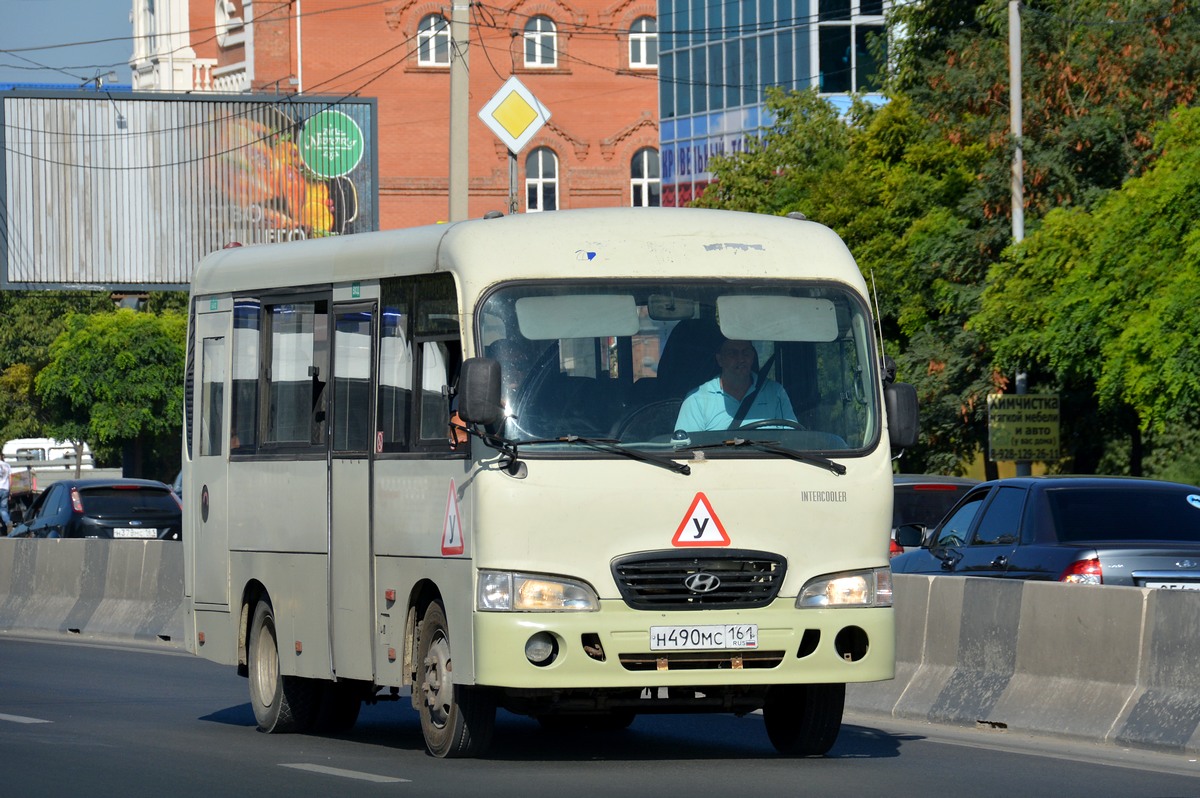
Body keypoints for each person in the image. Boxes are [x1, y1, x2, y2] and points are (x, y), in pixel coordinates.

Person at [674, 338, 797, 432]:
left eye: (746, 353)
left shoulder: (775, 393)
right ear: (720, 359)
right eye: (732, 353)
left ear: (753, 357)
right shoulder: (697, 399)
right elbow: (685, 451)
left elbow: (792, 440)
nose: (741, 359)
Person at [0, 454, 11, 533]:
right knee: (4, 509)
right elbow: (10, 478)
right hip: (5, 489)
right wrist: (10, 490)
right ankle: (8, 523)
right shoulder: (7, 465)